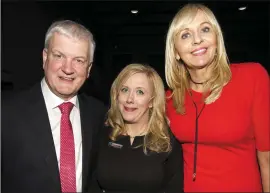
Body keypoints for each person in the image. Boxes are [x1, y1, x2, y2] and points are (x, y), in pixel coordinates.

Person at [165, 3, 269, 192]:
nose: (197, 40)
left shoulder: (252, 78)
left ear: (217, 39)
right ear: (176, 52)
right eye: (185, 34)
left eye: (205, 29)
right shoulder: (170, 99)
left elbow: (267, 158)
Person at [2, 20, 106, 193]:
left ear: (88, 69)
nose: (68, 68)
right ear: (45, 57)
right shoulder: (6, 113)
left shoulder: (97, 114)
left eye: (78, 60)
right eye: (59, 56)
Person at [90, 64, 184, 193]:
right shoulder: (101, 134)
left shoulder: (167, 143)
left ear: (152, 101)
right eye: (124, 90)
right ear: (116, 95)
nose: (130, 99)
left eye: (140, 92)